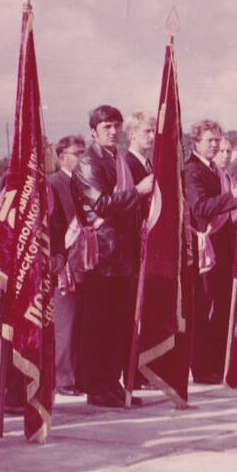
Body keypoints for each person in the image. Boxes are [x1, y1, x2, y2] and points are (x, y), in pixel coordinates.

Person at [71, 105, 153, 408]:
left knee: (119, 324)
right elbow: (101, 204)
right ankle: (97, 387)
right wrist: (139, 192)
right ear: (94, 131)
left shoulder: (118, 160)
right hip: (102, 254)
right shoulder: (88, 163)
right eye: (106, 126)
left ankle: (113, 384)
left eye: (117, 125)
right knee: (99, 324)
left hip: (123, 253)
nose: (113, 131)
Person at [185, 119, 237, 383]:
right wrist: (233, 196)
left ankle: (220, 361)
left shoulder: (215, 171)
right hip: (206, 246)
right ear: (196, 142)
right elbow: (199, 206)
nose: (214, 144)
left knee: (223, 306)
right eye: (209, 140)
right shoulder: (192, 170)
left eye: (217, 139)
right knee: (205, 308)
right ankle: (203, 367)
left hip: (224, 246)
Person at [48, 135, 86, 396]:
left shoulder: (84, 183)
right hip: (67, 261)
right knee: (67, 322)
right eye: (78, 154)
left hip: (87, 259)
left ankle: (79, 375)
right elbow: (55, 225)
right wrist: (61, 260)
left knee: (83, 323)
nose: (83, 159)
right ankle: (63, 377)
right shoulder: (54, 183)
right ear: (63, 157)